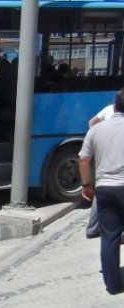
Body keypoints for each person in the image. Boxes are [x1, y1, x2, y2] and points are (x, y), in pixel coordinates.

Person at [79, 88, 124, 295]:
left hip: (105, 188)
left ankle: (113, 285)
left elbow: (84, 160)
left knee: (110, 237)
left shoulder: (96, 130)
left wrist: (87, 185)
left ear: (114, 105)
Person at [85, 103, 115, 238]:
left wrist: (95, 139)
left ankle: (92, 228)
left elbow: (91, 123)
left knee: (102, 186)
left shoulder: (108, 109)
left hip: (103, 155)